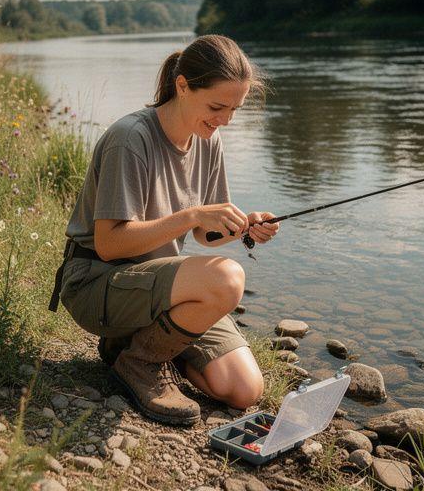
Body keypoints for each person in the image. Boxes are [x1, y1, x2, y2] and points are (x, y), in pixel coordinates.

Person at [50, 34, 280, 426]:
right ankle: (140, 362)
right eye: (217, 106)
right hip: (97, 281)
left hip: (158, 289)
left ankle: (131, 344)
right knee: (227, 278)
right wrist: (191, 215)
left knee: (244, 390)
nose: (225, 119)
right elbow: (109, 244)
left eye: (235, 108)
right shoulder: (131, 138)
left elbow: (206, 234)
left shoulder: (208, 139)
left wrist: (244, 227)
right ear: (183, 86)